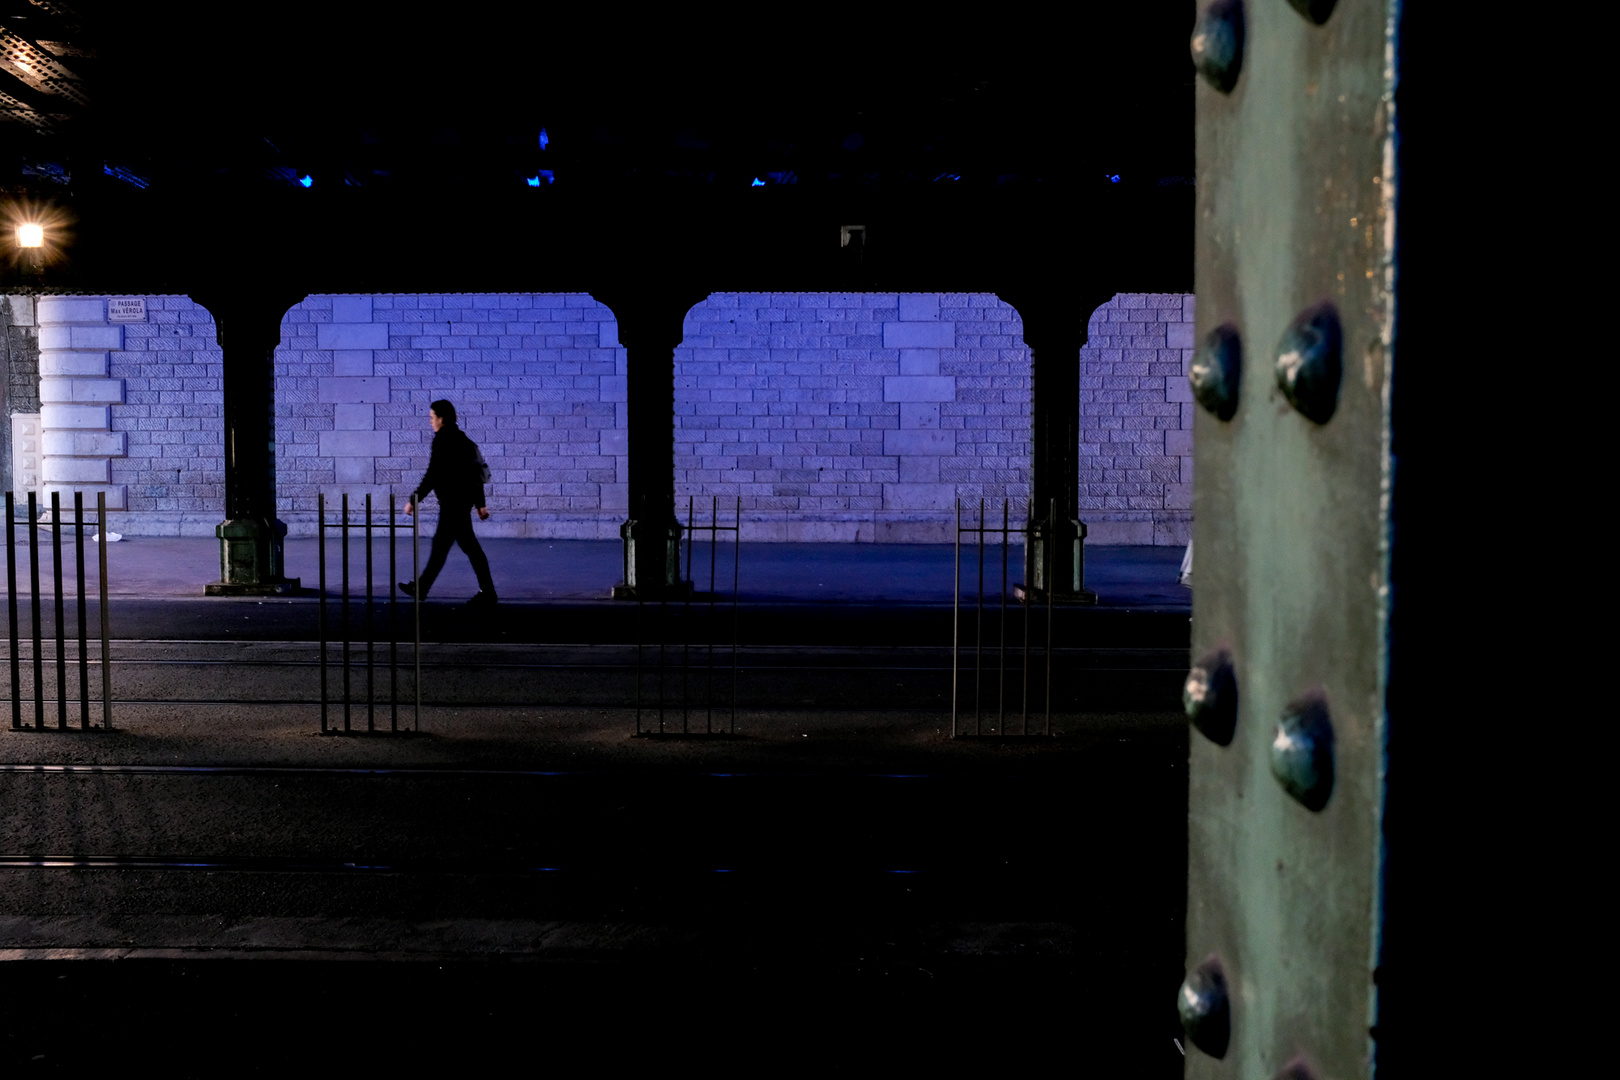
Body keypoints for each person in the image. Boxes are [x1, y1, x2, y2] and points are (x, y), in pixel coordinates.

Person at [399, 399, 497, 606]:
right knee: (467, 547)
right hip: (462, 503)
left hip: (452, 503)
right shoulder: (464, 440)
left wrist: (414, 499)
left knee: (443, 547)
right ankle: (486, 592)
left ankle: (422, 587)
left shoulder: (442, 440)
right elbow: (475, 475)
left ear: (441, 419)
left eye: (432, 418)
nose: (430, 422)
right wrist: (480, 504)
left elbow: (433, 473)